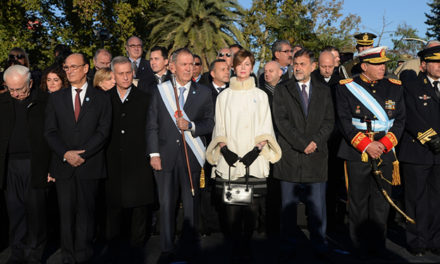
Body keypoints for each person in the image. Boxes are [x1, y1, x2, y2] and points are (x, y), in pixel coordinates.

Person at [206, 49, 281, 263]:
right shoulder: (224, 96)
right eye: (239, 64)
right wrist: (224, 149)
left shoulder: (260, 95)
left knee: (251, 207)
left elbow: (266, 126)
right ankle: (234, 247)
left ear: (252, 67)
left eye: (247, 64)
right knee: (231, 208)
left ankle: (246, 246)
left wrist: (256, 150)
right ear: (234, 67)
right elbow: (219, 125)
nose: (243, 68)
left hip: (254, 159)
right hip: (230, 158)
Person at [336, 46, 405, 258]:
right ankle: (358, 246)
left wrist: (383, 144)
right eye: (377, 64)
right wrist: (366, 145)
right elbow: (344, 121)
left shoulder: (395, 87)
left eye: (383, 64)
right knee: (357, 202)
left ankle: (378, 245)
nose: (383, 68)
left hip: (384, 151)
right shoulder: (347, 87)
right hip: (357, 152)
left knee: (381, 202)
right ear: (364, 66)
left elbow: (400, 120)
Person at [146, 48, 214, 263]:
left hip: (191, 157)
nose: (188, 68)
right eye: (183, 64)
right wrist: (154, 154)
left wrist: (191, 126)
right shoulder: (161, 91)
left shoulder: (203, 92)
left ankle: (189, 246)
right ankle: (167, 248)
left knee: (191, 202)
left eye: (191, 64)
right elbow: (152, 125)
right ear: (172, 67)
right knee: (166, 204)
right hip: (165, 156)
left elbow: (210, 123)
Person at [44, 53, 112, 263]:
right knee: (65, 215)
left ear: (85, 68)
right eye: (66, 67)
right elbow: (50, 131)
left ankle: (83, 256)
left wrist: (84, 153)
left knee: (86, 215)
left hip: (88, 165)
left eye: (74, 66)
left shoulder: (101, 98)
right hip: (63, 166)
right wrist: (65, 153)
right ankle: (67, 257)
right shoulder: (56, 98)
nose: (69, 70)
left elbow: (103, 131)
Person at [273, 48, 334, 261]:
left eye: (302, 64)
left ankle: (320, 244)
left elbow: (329, 121)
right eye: (295, 64)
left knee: (317, 208)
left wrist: (315, 141)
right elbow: (281, 122)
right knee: (288, 209)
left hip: (316, 158)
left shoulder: (324, 90)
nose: (297, 68)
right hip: (290, 157)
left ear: (312, 66)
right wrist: (302, 143)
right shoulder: (282, 90)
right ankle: (289, 246)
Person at [0, 65, 52, 264]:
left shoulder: (45, 102)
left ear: (30, 83)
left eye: (20, 89)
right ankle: (17, 252)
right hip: (10, 166)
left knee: (36, 212)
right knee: (15, 212)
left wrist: (51, 168)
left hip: (36, 164)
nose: (16, 94)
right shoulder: (3, 102)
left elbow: (52, 135)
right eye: (11, 89)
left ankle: (34, 254)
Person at [105, 56, 154, 253]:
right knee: (113, 207)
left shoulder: (145, 98)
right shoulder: (104, 98)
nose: (126, 77)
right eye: (121, 74)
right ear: (113, 75)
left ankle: (137, 247)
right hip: (112, 161)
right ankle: (113, 248)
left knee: (139, 207)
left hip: (138, 161)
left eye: (128, 73)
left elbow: (151, 129)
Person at [399, 45, 440, 257]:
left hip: (439, 155)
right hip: (418, 151)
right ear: (423, 65)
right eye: (434, 62)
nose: (439, 66)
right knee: (416, 199)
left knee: (436, 198)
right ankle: (417, 240)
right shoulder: (412, 86)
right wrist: (430, 138)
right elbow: (410, 117)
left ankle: (435, 239)